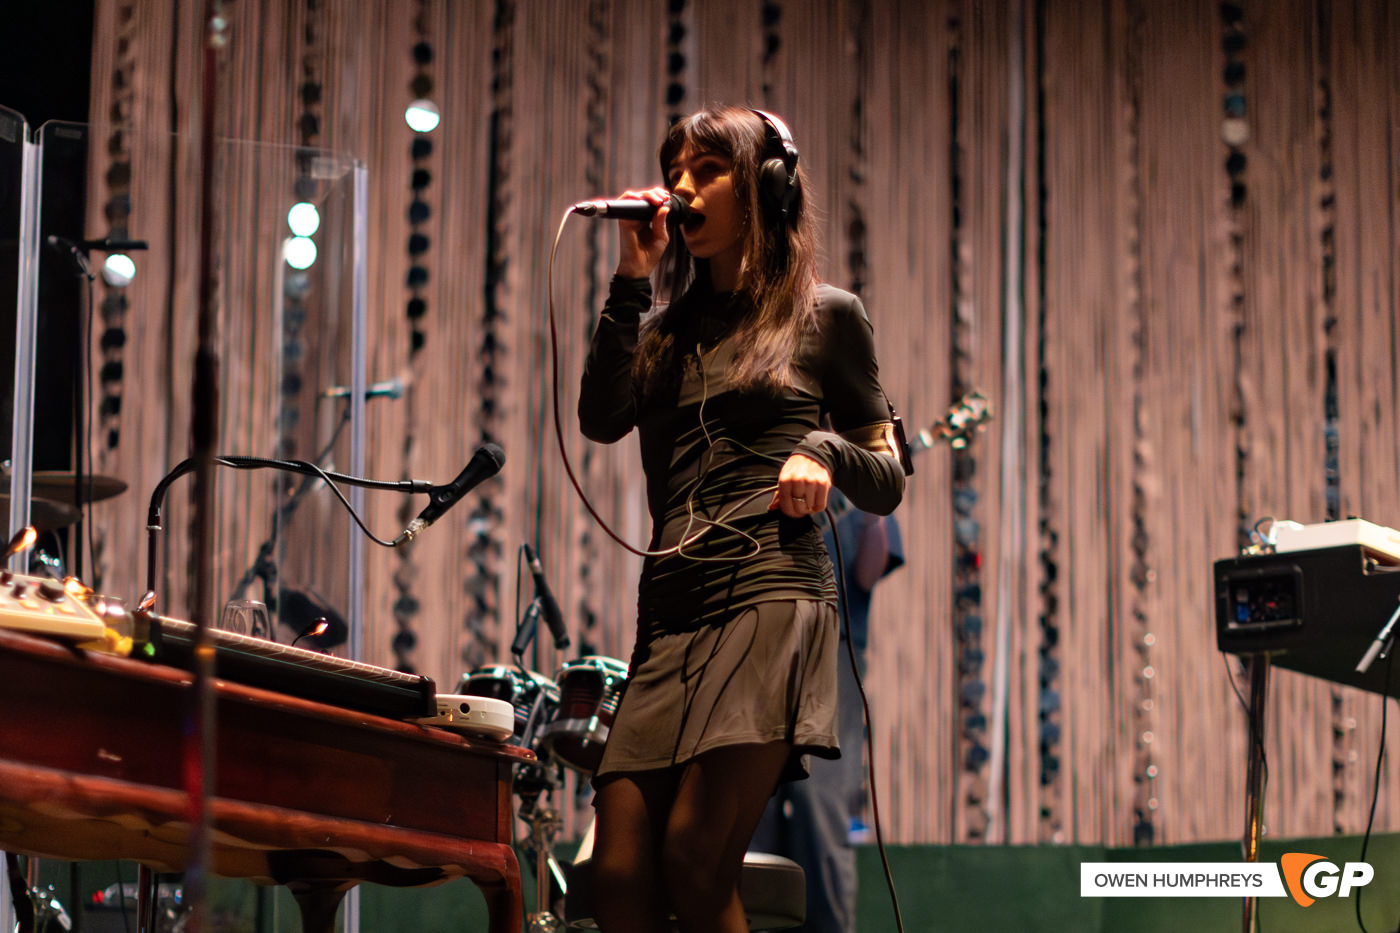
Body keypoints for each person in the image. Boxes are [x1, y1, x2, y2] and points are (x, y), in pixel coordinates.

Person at [576, 105, 905, 933]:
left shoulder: (827, 316)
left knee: (696, 857)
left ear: (765, 185)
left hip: (770, 595)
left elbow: (888, 476)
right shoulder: (663, 336)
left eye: (707, 169)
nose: (681, 188)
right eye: (674, 172)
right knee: (615, 875)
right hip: (669, 614)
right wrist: (629, 280)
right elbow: (599, 417)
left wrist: (823, 450)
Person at [749, 493, 904, 933]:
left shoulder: (855, 484)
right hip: (760, 650)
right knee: (752, 805)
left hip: (832, 654)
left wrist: (873, 514)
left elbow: (868, 574)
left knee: (819, 806)